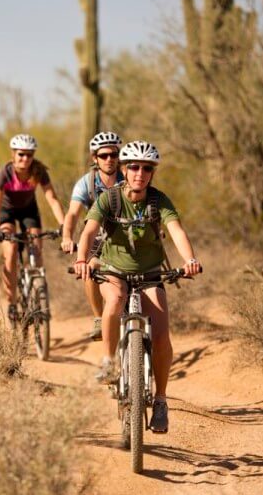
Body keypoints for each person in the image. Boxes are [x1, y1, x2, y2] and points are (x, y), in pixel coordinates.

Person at [72, 141, 202, 434]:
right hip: (113, 270)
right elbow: (89, 229)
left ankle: (160, 401)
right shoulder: (110, 199)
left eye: (146, 168)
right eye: (133, 167)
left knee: (161, 335)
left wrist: (190, 259)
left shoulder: (159, 201)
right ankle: (109, 362)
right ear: (124, 169)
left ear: (152, 173)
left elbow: (176, 230)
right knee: (115, 300)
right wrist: (82, 260)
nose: (139, 173)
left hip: (150, 273)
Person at [0, 134, 66, 322]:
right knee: (11, 251)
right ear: (13, 154)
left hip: (29, 212)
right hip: (7, 214)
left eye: (29, 155)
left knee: (37, 249)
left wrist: (64, 224)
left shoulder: (38, 172)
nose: (25, 159)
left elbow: (52, 199)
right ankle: (11, 302)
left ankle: (39, 292)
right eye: (21, 154)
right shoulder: (4, 173)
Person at [60, 131, 124, 341]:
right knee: (89, 266)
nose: (109, 160)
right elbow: (72, 213)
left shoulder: (130, 176)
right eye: (103, 155)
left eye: (113, 155)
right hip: (98, 235)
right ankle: (98, 318)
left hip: (128, 234)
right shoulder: (85, 184)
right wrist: (67, 237)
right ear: (94, 158)